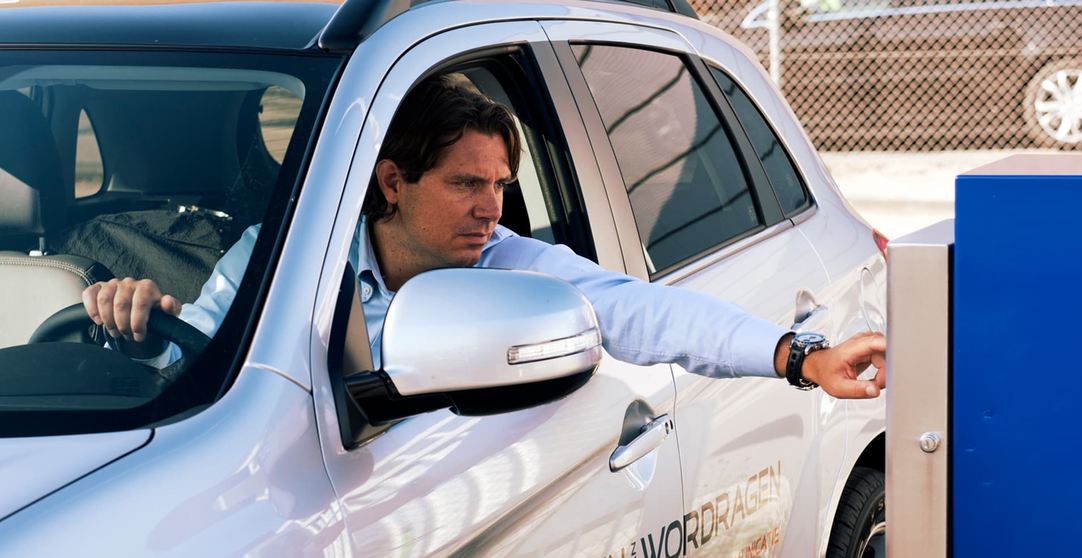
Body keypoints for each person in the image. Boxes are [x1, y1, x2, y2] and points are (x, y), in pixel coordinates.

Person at [81, 75, 886, 399]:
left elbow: (647, 313)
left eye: (500, 185)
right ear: (393, 182)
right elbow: (205, 368)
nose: (491, 208)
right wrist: (142, 332)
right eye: (466, 184)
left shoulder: (511, 267)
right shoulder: (280, 258)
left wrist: (800, 356)